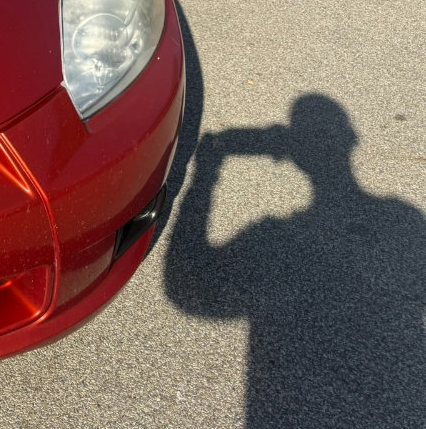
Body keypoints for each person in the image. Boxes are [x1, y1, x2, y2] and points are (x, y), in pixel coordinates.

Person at [164, 94, 426, 427]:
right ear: (352, 140)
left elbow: (190, 287)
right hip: (400, 409)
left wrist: (206, 174)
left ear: (292, 154)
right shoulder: (405, 220)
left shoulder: (268, 237)